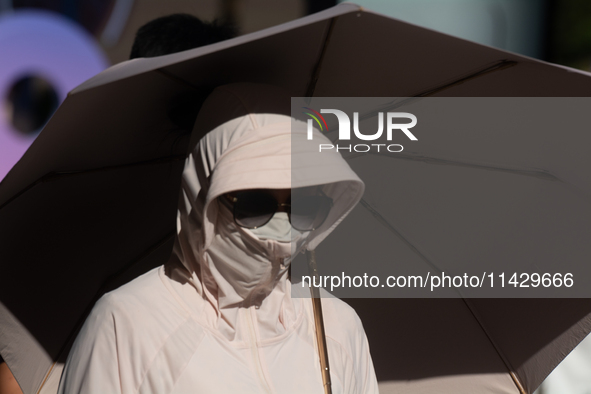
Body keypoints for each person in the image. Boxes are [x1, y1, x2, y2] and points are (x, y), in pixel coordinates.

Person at [57, 82, 378, 393]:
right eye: (254, 204)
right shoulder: (127, 323)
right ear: (205, 196)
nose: (281, 231)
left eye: (304, 205)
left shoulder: (336, 325)